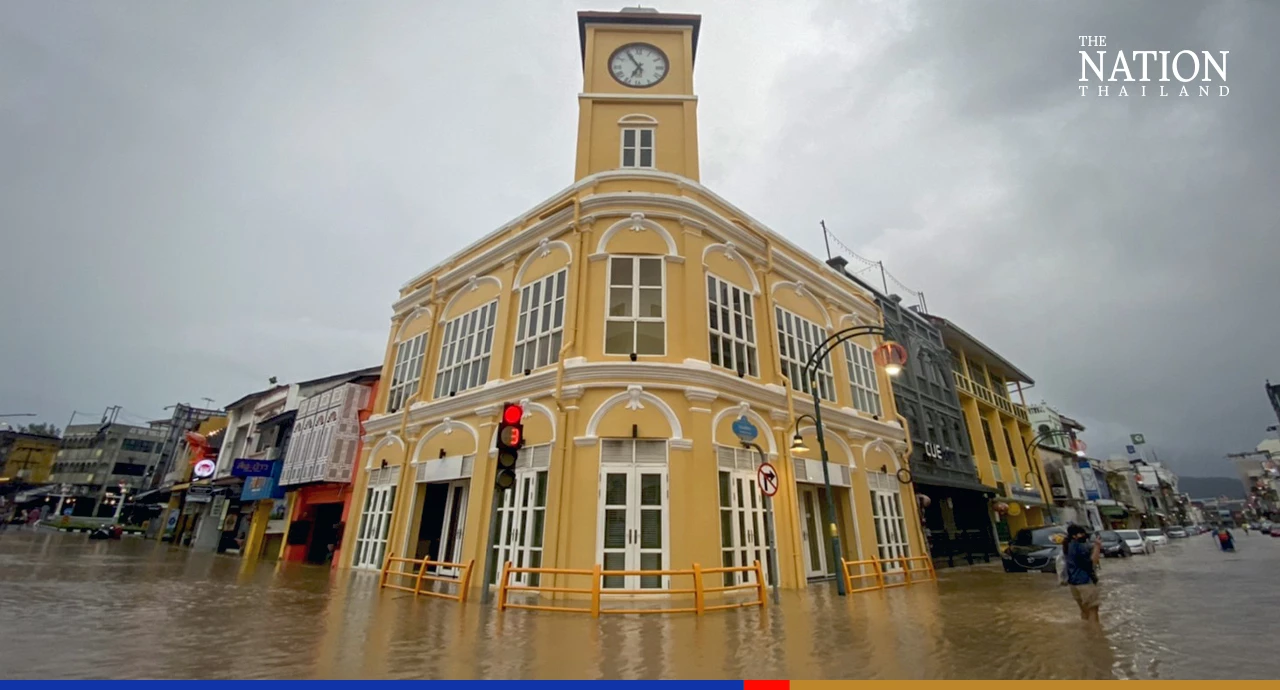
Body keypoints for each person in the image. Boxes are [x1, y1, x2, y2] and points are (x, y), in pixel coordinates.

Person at [1063, 524, 1102, 622]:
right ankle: (1095, 634)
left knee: (1084, 611)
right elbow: (1092, 562)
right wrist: (1097, 546)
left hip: (1073, 584)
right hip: (1085, 582)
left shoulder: (1067, 545)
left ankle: (1086, 633)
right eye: (1081, 534)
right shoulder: (1079, 546)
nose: (1084, 536)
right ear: (1074, 535)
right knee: (1093, 611)